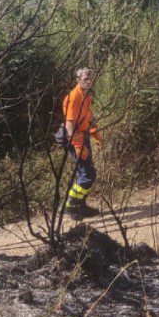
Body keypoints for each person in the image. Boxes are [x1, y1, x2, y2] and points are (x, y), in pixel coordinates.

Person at [62, 67, 103, 219]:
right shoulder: (75, 96)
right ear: (78, 79)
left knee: (83, 173)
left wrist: (95, 135)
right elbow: (69, 125)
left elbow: (89, 119)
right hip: (73, 137)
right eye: (86, 79)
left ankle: (81, 206)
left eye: (90, 79)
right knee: (88, 174)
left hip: (82, 135)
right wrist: (78, 145)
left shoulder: (86, 96)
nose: (89, 81)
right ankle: (70, 205)